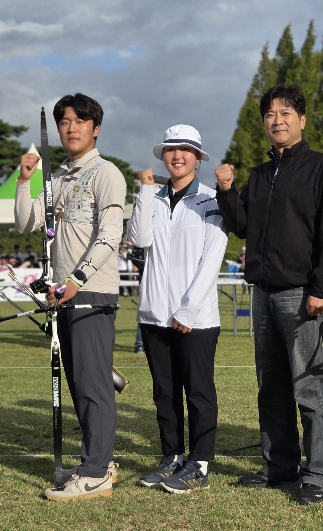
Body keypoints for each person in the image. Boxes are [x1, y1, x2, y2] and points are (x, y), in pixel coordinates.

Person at [215, 84, 323, 505]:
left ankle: (317, 475)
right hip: (264, 293)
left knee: (307, 385)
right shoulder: (259, 174)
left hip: (302, 293)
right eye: (270, 114)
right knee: (270, 386)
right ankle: (280, 466)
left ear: (302, 120)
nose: (277, 120)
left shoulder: (322, 168)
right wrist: (227, 189)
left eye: (286, 112)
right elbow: (241, 226)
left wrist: (321, 287)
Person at [15, 93, 126, 502]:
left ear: (95, 128)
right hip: (64, 292)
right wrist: (25, 180)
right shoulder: (57, 175)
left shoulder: (106, 172)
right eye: (64, 121)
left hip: (90, 290)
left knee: (93, 384)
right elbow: (27, 222)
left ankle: (95, 471)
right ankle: (98, 461)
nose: (71, 127)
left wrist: (77, 278)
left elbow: (110, 235)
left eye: (80, 121)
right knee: (81, 383)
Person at [127, 124, 228, 494]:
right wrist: (143, 192)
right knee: (164, 391)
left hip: (196, 318)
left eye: (186, 150)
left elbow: (211, 258)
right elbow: (139, 240)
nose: (177, 156)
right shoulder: (152, 196)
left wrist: (187, 310)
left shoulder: (211, 199)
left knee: (198, 391)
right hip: (154, 312)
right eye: (171, 149)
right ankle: (171, 456)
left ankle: (199, 463)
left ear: (198, 158)